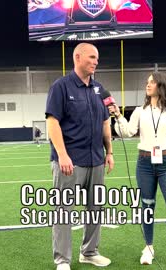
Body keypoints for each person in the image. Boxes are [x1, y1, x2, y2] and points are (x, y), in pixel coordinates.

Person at [109, 72, 166, 270]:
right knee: (147, 208)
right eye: (147, 82)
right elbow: (128, 132)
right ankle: (148, 247)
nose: (147, 85)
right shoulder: (141, 110)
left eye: (151, 82)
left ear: (161, 86)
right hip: (145, 164)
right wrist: (118, 116)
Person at [45, 43, 114, 270]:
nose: (96, 61)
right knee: (64, 210)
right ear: (77, 57)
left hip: (96, 160)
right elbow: (52, 122)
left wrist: (109, 152)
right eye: (92, 57)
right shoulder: (61, 87)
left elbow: (106, 123)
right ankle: (62, 260)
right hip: (70, 162)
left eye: (97, 58)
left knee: (96, 208)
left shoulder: (99, 89)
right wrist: (63, 155)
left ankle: (89, 252)